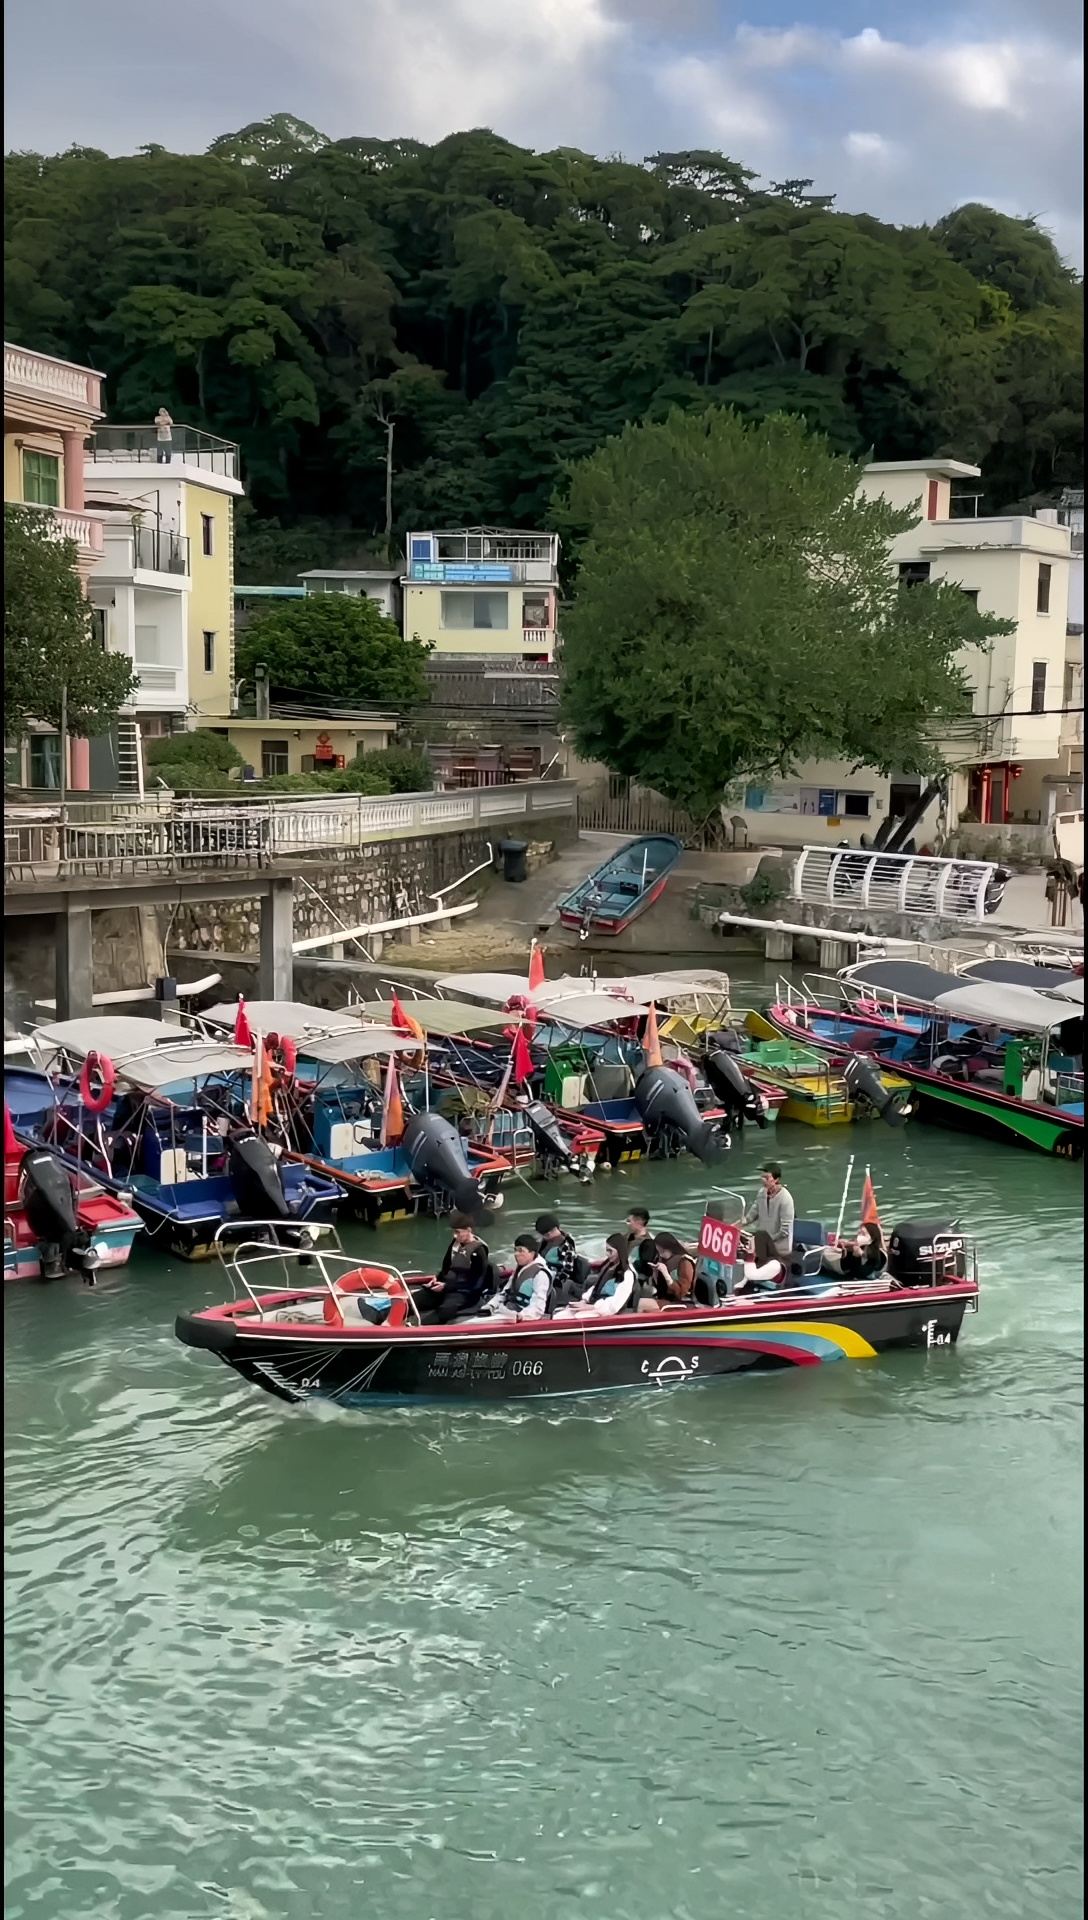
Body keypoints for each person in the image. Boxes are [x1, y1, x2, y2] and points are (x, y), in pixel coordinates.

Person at [410, 1214, 492, 1324]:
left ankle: (421, 1328)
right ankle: (386, 1318)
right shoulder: (455, 1244)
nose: (454, 1236)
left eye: (458, 1232)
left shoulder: (479, 1251)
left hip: (464, 1292)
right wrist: (437, 1279)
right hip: (446, 1286)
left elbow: (476, 1283)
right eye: (454, 1232)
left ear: (468, 1230)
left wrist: (447, 1286)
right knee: (415, 1299)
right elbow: (446, 1267)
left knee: (445, 1310)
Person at [556, 1233, 636, 1318]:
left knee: (575, 1317)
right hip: (594, 1306)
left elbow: (614, 1306)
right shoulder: (608, 1267)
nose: (607, 1254)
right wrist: (584, 1301)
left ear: (620, 1251)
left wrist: (592, 1307)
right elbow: (596, 1287)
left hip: (607, 1312)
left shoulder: (627, 1274)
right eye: (606, 1250)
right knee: (560, 1315)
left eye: (610, 1251)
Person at [484, 1233, 553, 1322]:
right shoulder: (519, 1270)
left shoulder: (541, 1274)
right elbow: (504, 1292)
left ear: (532, 1253)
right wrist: (491, 1305)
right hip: (507, 1312)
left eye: (521, 1251)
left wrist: (522, 1316)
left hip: (523, 1317)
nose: (516, 1254)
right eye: (515, 1250)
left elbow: (538, 1305)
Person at [534, 1213, 586, 1307]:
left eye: (544, 1235)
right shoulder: (545, 1242)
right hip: (544, 1273)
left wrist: (550, 1281)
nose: (543, 1237)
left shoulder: (566, 1245)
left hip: (557, 1280)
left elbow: (567, 1270)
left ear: (549, 1233)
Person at [821, 1221, 886, 1284]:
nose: (859, 1236)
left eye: (863, 1234)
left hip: (841, 1268)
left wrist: (861, 1254)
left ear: (871, 1239)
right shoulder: (858, 1247)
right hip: (840, 1263)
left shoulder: (878, 1256)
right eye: (859, 1233)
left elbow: (865, 1269)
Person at [650, 1231, 697, 1307]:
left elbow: (681, 1293)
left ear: (670, 1248)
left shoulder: (684, 1262)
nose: (660, 1255)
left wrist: (666, 1274)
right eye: (658, 1251)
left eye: (662, 1251)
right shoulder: (661, 1259)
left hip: (679, 1302)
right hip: (662, 1296)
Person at [625, 1207, 658, 1288]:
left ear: (639, 1221)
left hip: (633, 1279)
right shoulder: (628, 1236)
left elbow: (645, 1270)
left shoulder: (648, 1244)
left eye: (629, 1221)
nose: (627, 1224)